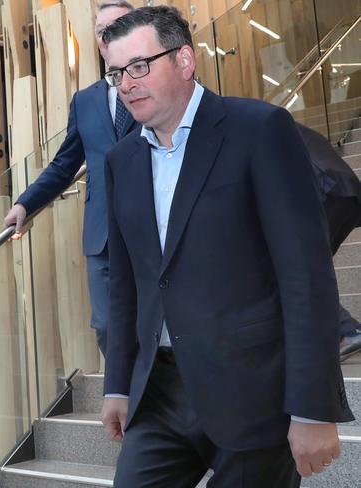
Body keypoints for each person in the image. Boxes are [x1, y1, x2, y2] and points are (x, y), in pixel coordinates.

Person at [98, 7, 354, 487]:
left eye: (138, 66)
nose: (126, 83)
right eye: (116, 72)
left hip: (254, 390)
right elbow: (127, 283)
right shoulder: (120, 161)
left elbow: (306, 276)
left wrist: (312, 406)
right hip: (161, 395)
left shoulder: (259, 130)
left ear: (185, 61)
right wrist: (117, 383)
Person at [4, 1, 137, 356]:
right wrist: (24, 203)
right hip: (103, 236)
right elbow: (65, 165)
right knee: (108, 327)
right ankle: (126, 404)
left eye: (118, 25)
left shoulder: (158, 87)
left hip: (152, 228)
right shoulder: (85, 100)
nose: (108, 36)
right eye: (101, 31)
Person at [297, 123, 361, 360]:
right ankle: (342, 330)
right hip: (344, 191)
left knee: (298, 269)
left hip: (323, 190)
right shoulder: (273, 119)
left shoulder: (250, 127)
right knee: (308, 268)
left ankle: (346, 331)